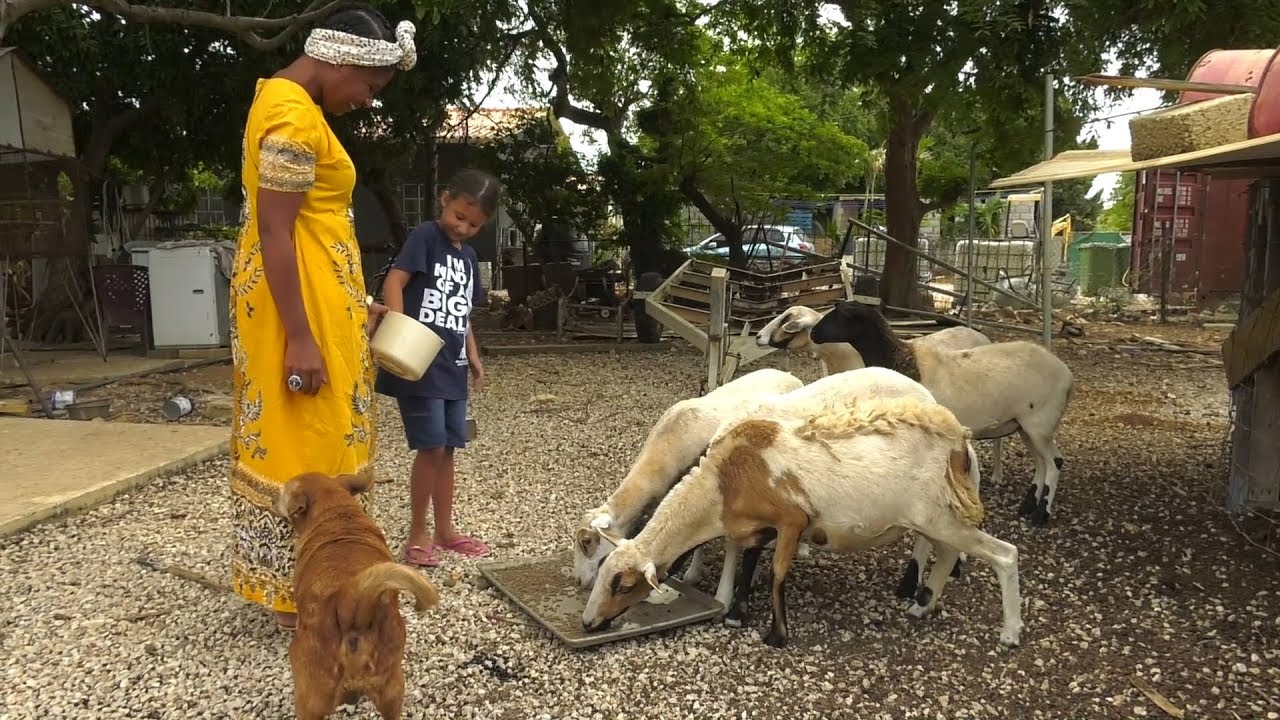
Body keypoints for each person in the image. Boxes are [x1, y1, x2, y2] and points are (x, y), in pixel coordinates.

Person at [228, 3, 417, 631]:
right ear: (339, 60)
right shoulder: (289, 114)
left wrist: (349, 303)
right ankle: (303, 598)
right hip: (294, 315)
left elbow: (306, 229)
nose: (368, 101)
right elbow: (276, 233)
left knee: (317, 434)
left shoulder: (296, 107)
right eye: (369, 86)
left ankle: (314, 588)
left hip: (312, 301)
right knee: (303, 440)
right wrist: (302, 338)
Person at [376, 169, 501, 567]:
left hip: (453, 365)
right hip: (418, 362)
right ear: (445, 200)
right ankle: (418, 532)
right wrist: (398, 328)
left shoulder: (467, 257)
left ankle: (446, 531)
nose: (463, 227)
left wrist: (475, 358)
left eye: (474, 224)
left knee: (448, 448)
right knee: (429, 447)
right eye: (459, 216)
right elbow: (394, 282)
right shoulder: (426, 236)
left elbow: (461, 312)